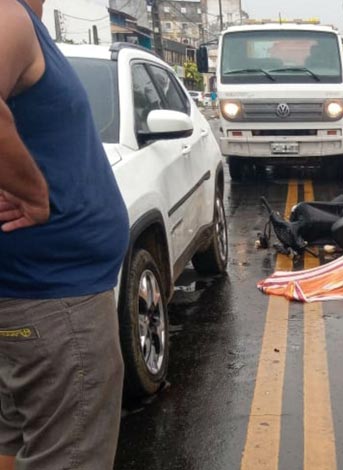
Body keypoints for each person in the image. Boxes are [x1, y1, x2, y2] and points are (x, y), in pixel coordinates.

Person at [0, 1, 129, 468]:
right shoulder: (8, 16)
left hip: (34, 299)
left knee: (15, 444)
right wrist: (34, 192)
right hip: (54, 304)